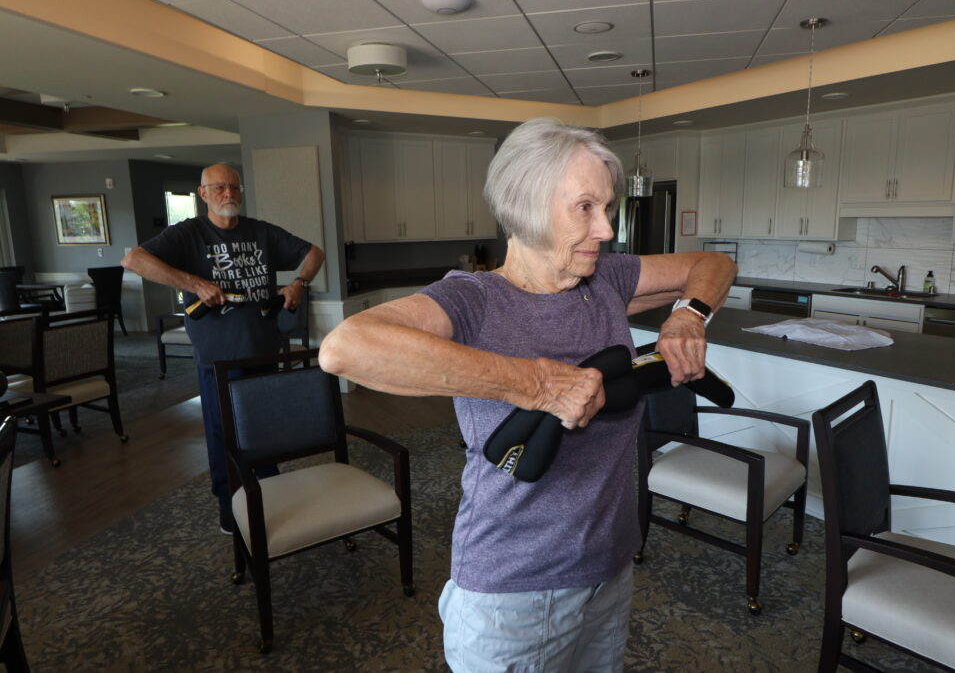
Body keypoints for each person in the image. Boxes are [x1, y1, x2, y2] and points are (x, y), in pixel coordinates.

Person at [318, 118, 736, 671]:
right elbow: (345, 348)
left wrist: (689, 315)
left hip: (609, 568)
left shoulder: (606, 280)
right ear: (526, 206)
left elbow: (714, 263)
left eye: (606, 208)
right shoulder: (474, 300)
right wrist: (537, 384)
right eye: (586, 208)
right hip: (512, 592)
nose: (606, 229)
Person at [122, 163, 324, 534]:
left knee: (266, 427)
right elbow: (134, 259)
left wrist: (298, 282)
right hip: (219, 356)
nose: (227, 194)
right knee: (224, 433)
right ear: (203, 194)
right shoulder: (188, 234)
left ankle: (270, 494)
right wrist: (194, 282)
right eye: (218, 188)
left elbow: (314, 253)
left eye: (233, 187)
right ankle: (230, 507)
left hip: (263, 348)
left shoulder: (261, 231)